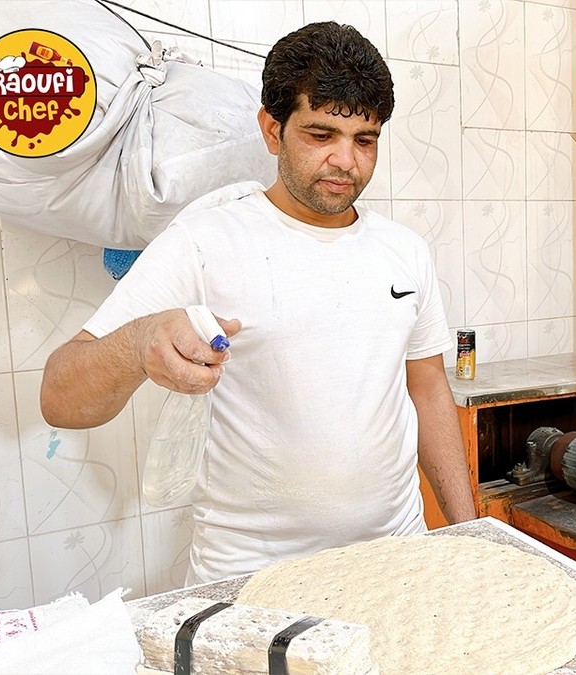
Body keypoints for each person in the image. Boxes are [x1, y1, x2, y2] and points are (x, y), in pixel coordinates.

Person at [40, 21, 477, 584]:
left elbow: (429, 391)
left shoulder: (405, 251)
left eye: (364, 140)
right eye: (321, 135)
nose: (347, 161)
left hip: (394, 560)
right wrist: (138, 343)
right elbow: (60, 399)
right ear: (272, 130)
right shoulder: (206, 241)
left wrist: (467, 532)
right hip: (252, 576)